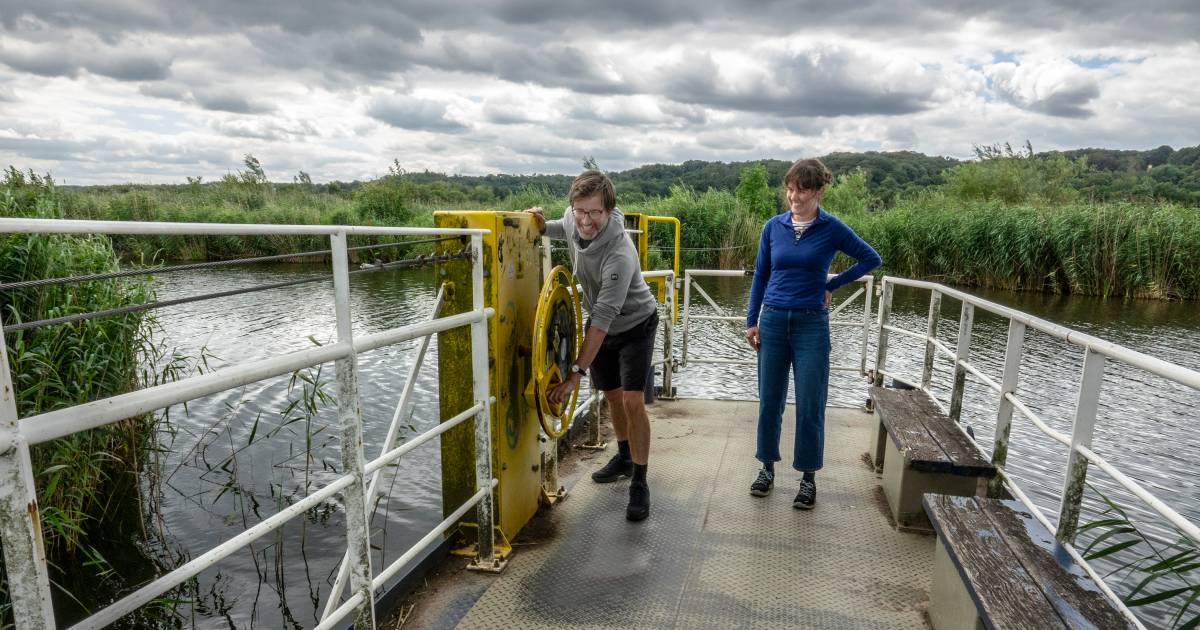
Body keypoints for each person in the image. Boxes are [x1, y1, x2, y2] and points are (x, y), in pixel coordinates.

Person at [744, 158, 881, 510]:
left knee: (809, 405)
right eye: (790, 188)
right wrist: (751, 320)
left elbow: (870, 258)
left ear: (819, 190)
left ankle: (807, 479)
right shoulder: (772, 227)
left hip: (811, 325)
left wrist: (833, 282)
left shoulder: (831, 228)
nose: (794, 195)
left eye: (802, 189)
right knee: (769, 402)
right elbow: (760, 275)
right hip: (773, 321)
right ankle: (766, 469)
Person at [526, 170, 659, 521]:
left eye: (595, 213)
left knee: (632, 400)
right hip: (603, 323)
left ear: (609, 211)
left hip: (634, 323)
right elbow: (560, 227)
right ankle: (625, 457)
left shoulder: (619, 253)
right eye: (580, 211)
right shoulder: (574, 218)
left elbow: (601, 322)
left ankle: (640, 482)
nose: (586, 220)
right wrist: (538, 224)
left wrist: (574, 374)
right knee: (611, 396)